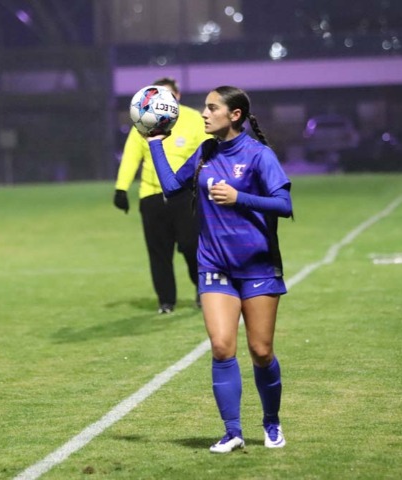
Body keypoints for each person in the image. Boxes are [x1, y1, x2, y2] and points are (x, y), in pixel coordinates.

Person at [146, 86, 293, 452]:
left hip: (258, 266)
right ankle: (232, 431)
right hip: (214, 265)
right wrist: (155, 144)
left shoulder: (259, 155)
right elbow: (171, 187)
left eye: (212, 108)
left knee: (261, 351)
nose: (204, 113)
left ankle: (271, 421)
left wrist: (239, 198)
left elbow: (284, 204)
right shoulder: (205, 152)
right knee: (222, 347)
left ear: (235, 115)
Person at [114, 77, 211, 314]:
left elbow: (208, 151)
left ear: (177, 96)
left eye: (167, 96)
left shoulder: (194, 119)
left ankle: (203, 290)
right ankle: (166, 301)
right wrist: (121, 188)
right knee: (159, 252)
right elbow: (131, 155)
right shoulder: (144, 120)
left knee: (191, 245)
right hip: (152, 195)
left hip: (186, 196)